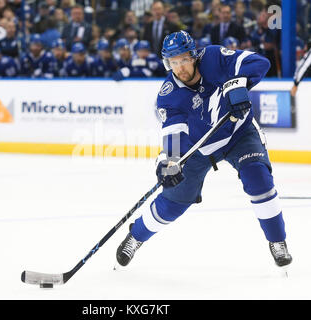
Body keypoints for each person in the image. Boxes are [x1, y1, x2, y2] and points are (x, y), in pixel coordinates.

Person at [115, 30, 293, 271]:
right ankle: (135, 236)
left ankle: (277, 241)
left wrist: (237, 84)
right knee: (173, 202)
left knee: (258, 178)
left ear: (194, 55)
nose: (180, 68)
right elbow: (173, 138)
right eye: (173, 62)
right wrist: (167, 163)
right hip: (198, 148)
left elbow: (260, 63)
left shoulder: (214, 57)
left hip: (238, 133)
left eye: (184, 59)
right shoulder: (169, 96)